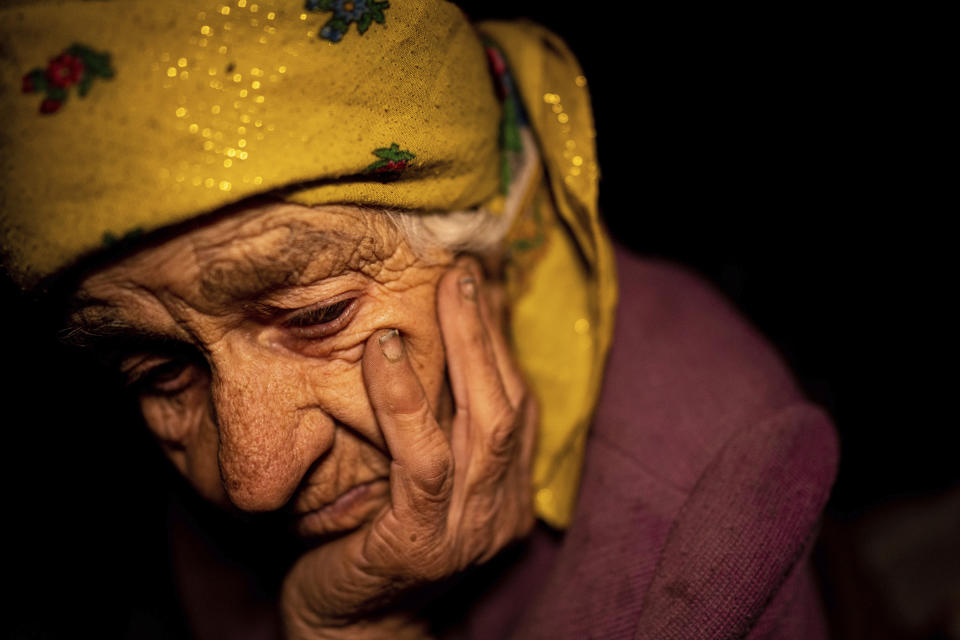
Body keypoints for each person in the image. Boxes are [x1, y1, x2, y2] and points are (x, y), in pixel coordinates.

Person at [0, 1, 839, 638]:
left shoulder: (710, 496)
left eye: (319, 314)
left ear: (491, 243)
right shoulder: (217, 479)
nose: (255, 482)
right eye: (161, 371)